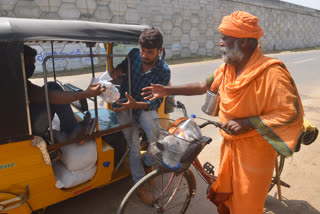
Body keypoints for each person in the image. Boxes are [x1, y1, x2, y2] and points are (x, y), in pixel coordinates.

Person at [142, 11, 304, 214]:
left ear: (244, 41)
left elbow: (290, 112)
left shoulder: (272, 72)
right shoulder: (227, 68)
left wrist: (248, 122)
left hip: (255, 153)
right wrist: (168, 90)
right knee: (230, 197)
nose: (220, 43)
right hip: (230, 145)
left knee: (246, 203)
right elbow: (204, 85)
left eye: (224, 38)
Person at [111, 27, 171, 204]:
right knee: (134, 146)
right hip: (123, 104)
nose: (144, 55)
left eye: (150, 52)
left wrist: (136, 105)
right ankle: (139, 184)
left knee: (159, 140)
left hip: (143, 107)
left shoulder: (164, 71)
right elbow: (123, 65)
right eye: (143, 50)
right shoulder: (134, 54)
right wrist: (118, 71)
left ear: (159, 51)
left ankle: (147, 163)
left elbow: (155, 102)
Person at [24, 45, 105, 142]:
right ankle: (73, 131)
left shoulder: (21, 81)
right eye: (29, 63)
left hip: (27, 123)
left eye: (33, 63)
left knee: (51, 85)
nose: (32, 66)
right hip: (28, 130)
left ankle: (71, 129)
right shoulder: (17, 84)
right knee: (52, 87)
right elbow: (49, 96)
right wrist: (87, 93)